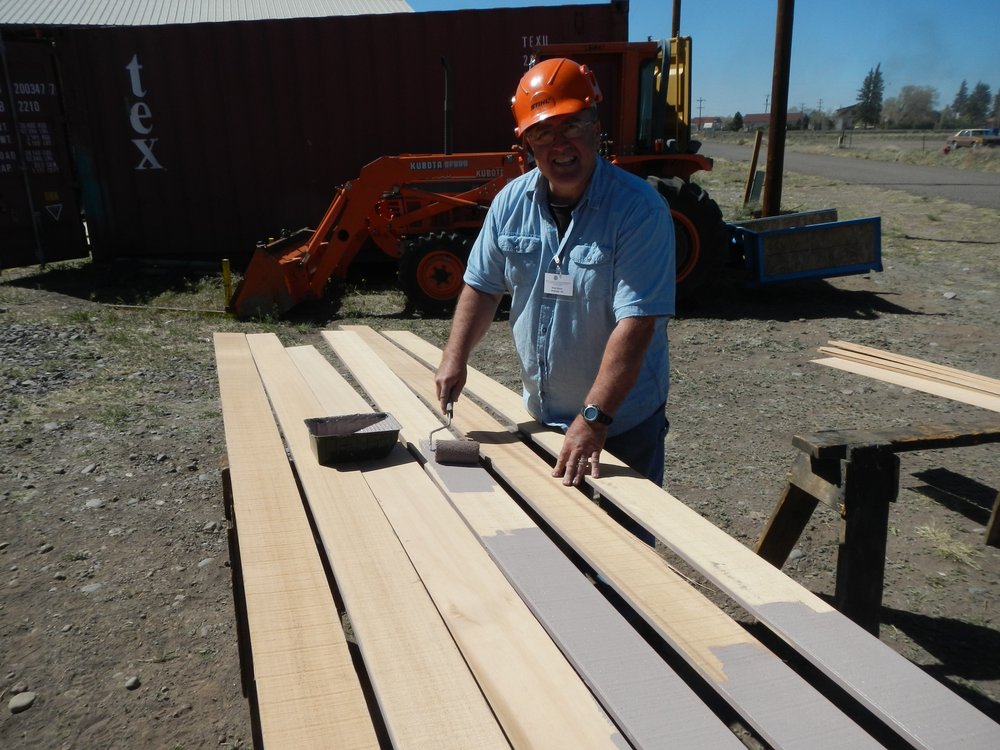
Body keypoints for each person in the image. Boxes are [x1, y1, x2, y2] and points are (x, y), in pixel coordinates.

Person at [435, 57, 675, 538]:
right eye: (543, 132)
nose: (559, 144)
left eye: (573, 126)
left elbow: (638, 323)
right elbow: (482, 286)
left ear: (596, 129)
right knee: (559, 548)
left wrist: (595, 419)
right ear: (526, 143)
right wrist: (453, 358)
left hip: (619, 427)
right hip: (543, 419)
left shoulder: (638, 210)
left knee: (626, 559)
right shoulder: (511, 203)